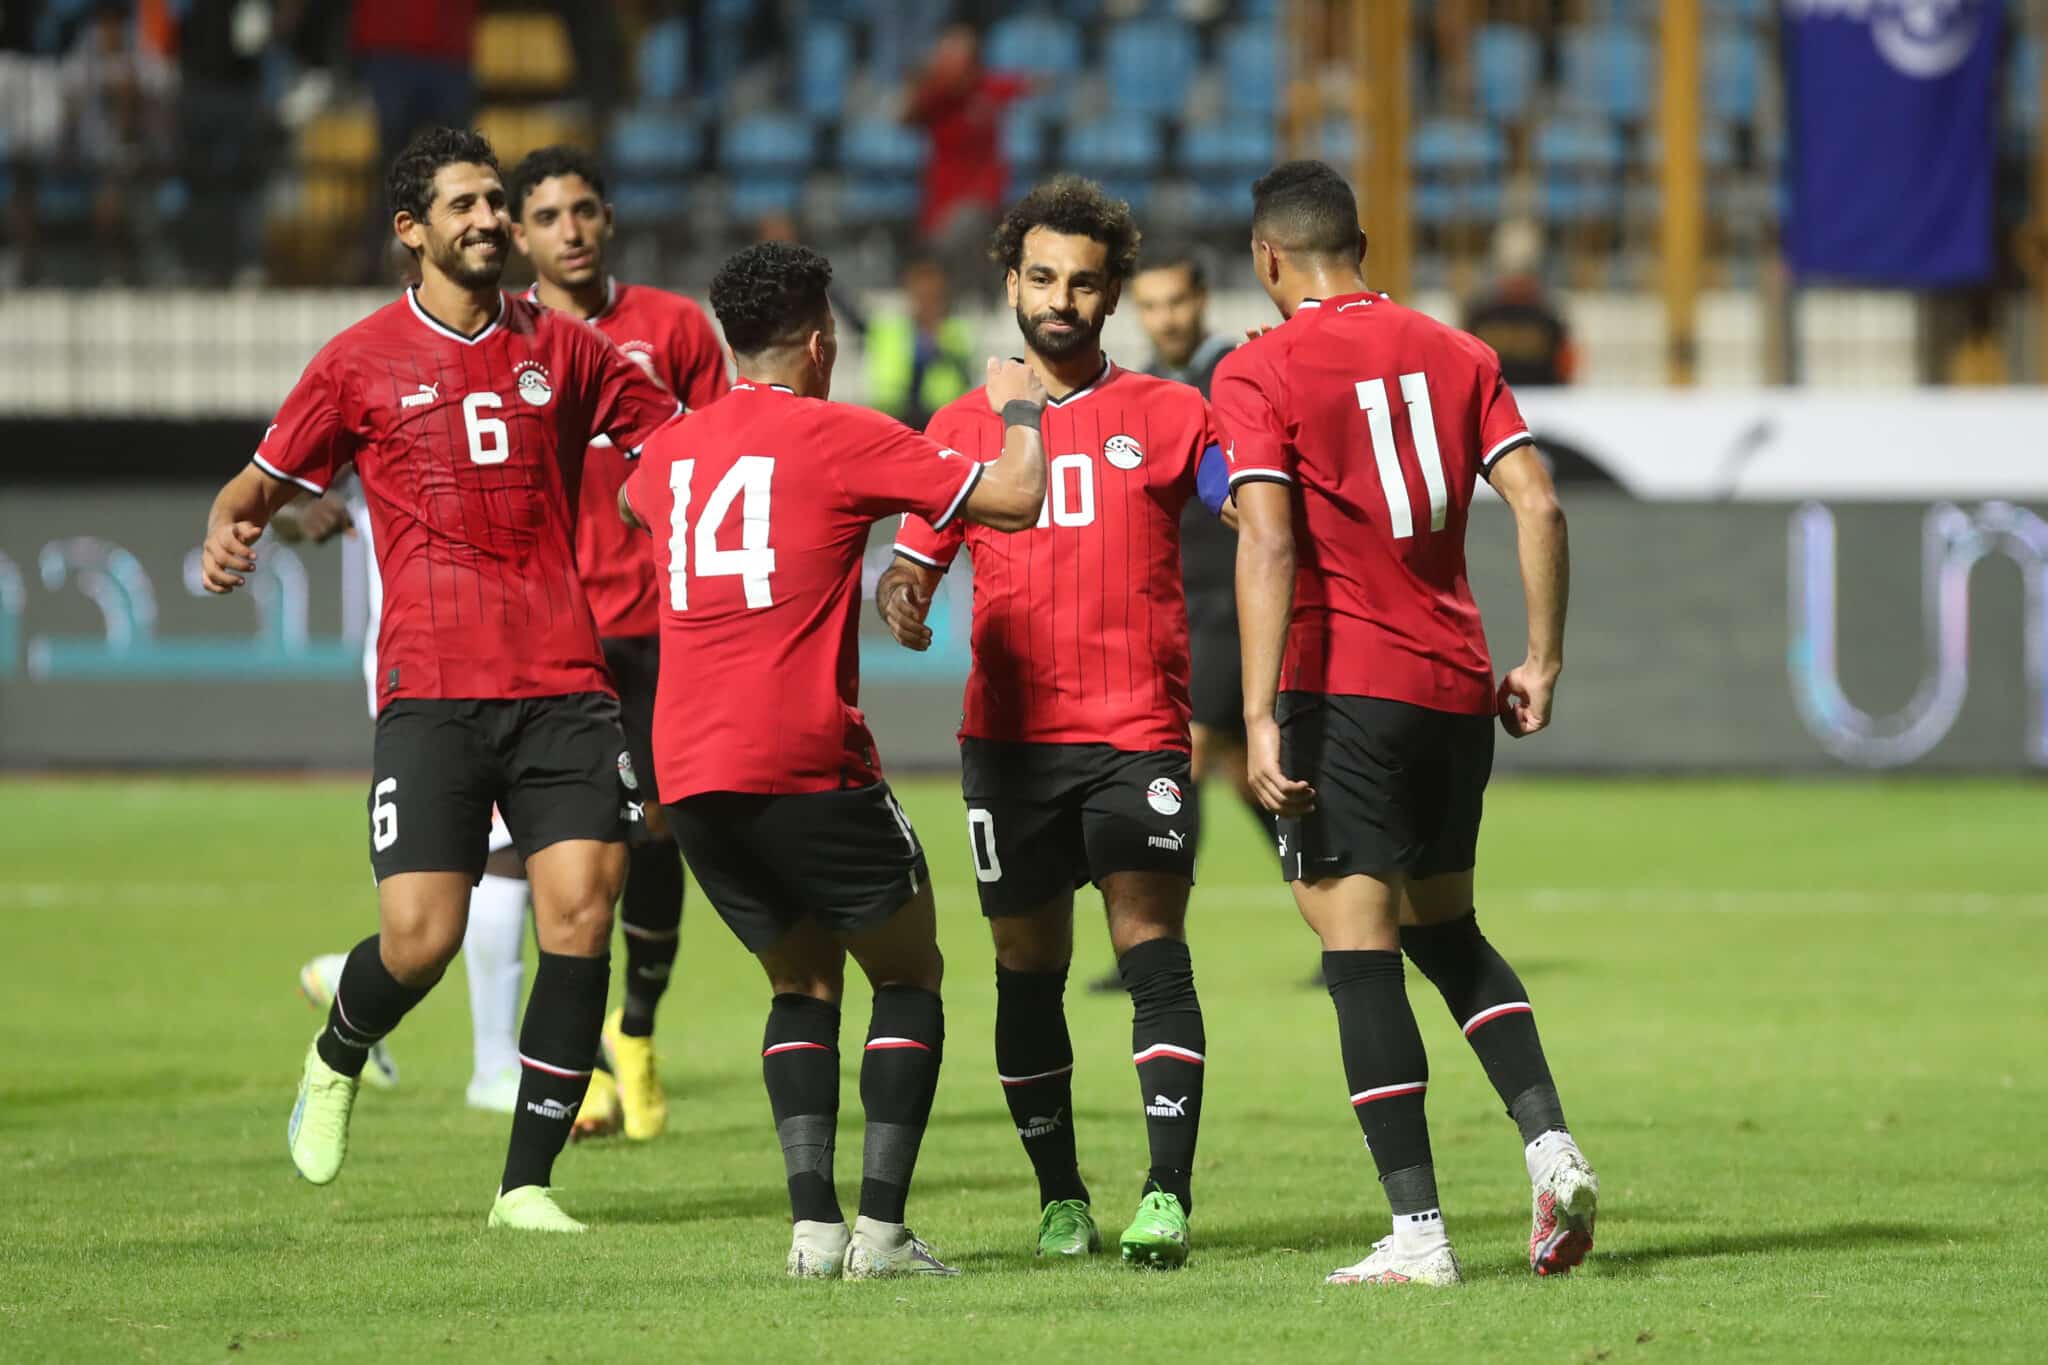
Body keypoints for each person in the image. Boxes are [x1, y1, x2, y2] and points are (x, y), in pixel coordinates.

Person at [199, 127, 678, 1233]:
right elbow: (250, 492)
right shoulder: (356, 360)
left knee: (580, 913)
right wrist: (232, 536)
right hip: (432, 690)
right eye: (463, 204)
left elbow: (669, 445)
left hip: (566, 678)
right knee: (423, 935)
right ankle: (339, 1053)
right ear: (410, 229)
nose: (489, 220)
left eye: (495, 201)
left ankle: (525, 1185)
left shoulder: (564, 350)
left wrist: (678, 491)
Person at [619, 241, 1048, 1278]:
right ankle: (883, 1235)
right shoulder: (841, 435)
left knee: (799, 984)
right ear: (818, 344)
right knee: (909, 974)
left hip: (690, 770)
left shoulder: (671, 454)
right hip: (804, 754)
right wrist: (1017, 406)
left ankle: (812, 1230)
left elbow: (636, 504)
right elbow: (1015, 498)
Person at [1216, 160, 1596, 1287]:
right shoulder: (1458, 351)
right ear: (1360, 244)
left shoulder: (1259, 366)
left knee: (1355, 952)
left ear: (1268, 258)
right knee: (1445, 931)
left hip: (1347, 692)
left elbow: (1267, 541)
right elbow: (1539, 498)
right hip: (1453, 688)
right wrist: (1541, 658)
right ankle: (1549, 1145)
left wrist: (1256, 712)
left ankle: (1416, 1234)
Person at [876, 178, 1230, 1269]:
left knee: (1149, 949)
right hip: (1010, 743)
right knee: (1023, 965)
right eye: (1041, 278)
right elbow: (911, 564)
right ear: (1010, 281)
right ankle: (1061, 1198)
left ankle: (1164, 1198)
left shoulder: (1174, 414)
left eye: (1083, 281)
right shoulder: (958, 425)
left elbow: (1247, 502)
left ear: (1113, 292)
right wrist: (906, 595)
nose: (1060, 300)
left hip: (1135, 729)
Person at [497, 143, 731, 1141]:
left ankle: (634, 1033)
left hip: (663, 624)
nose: (571, 230)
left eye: (584, 209)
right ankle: (583, 1052)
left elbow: (724, 464)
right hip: (559, 635)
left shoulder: (673, 329)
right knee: (575, 850)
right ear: (518, 236)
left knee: (659, 828)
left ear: (607, 218)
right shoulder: (503, 342)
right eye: (548, 217)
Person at [865, 255, 976, 431]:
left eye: (934, 296)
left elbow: (961, 381)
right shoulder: (890, 331)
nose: (927, 303)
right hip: (898, 420)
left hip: (943, 421)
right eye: (921, 296)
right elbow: (886, 387)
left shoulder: (956, 332)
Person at [1462, 218, 1575, 388]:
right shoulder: (1478, 314)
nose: (1517, 280)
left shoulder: (1550, 316)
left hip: (1543, 401)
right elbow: (1462, 363)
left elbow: (1566, 365)